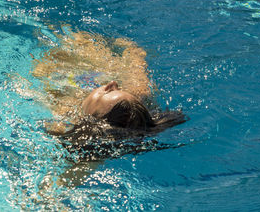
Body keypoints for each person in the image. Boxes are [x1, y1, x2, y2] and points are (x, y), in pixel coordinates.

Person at [11, 24, 186, 188]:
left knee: (58, 49)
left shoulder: (62, 113)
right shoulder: (138, 92)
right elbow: (137, 59)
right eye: (119, 89)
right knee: (85, 42)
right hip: (98, 63)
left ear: (92, 118)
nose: (113, 83)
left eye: (108, 92)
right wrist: (132, 50)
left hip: (66, 70)